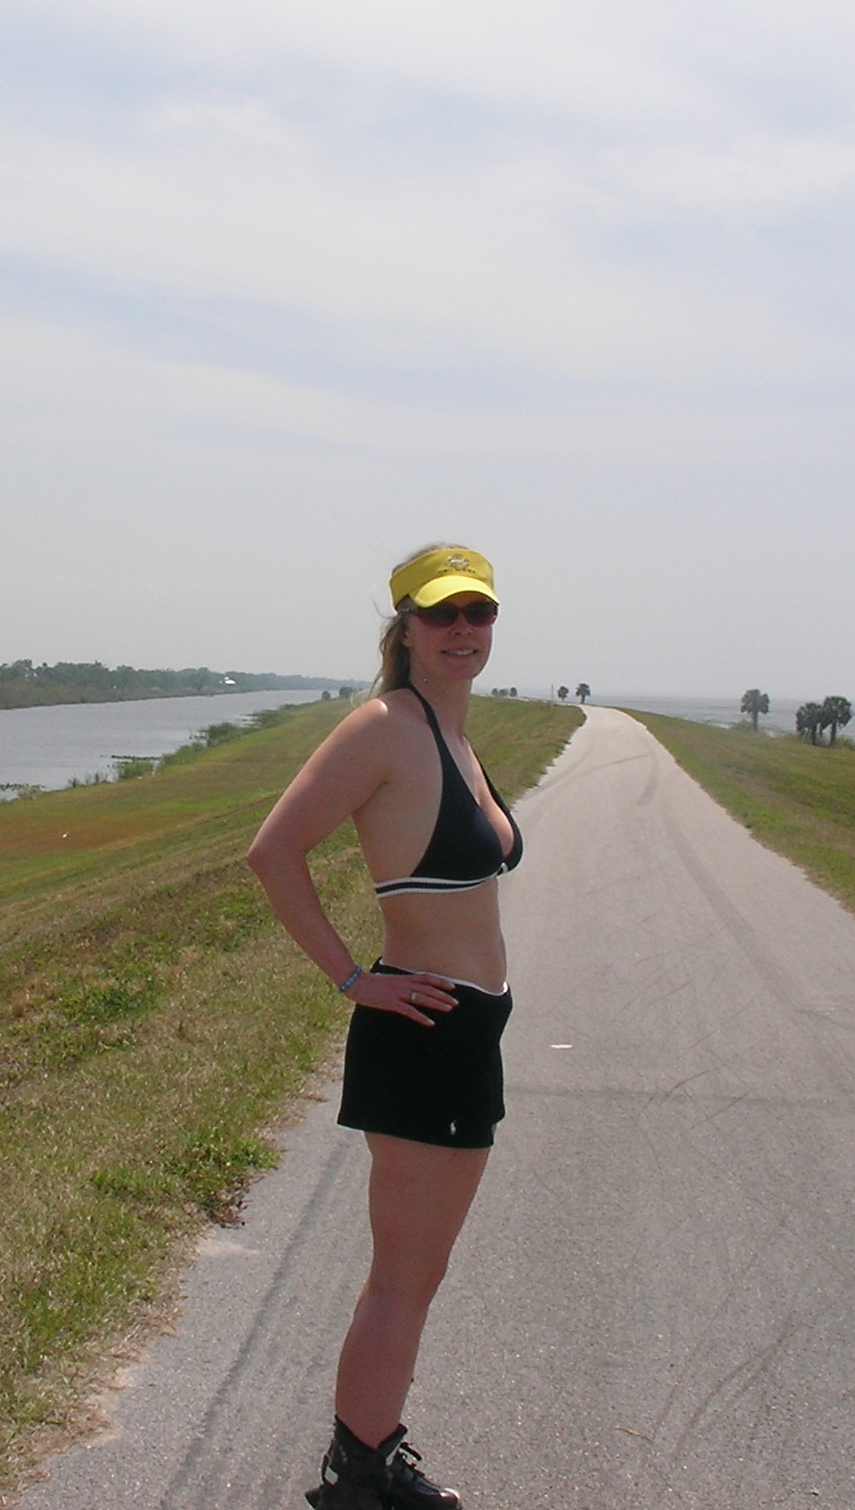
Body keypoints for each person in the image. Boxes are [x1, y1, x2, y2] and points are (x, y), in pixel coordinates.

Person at [246, 544, 523, 1510]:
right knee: (402, 1278)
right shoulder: (383, 728)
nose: (463, 632)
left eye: (478, 614)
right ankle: (359, 1475)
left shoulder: (454, 732)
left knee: (419, 1274)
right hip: (422, 1028)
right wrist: (353, 978)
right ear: (403, 626)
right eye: (442, 615)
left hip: (468, 1030)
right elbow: (273, 852)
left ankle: (369, 1457)